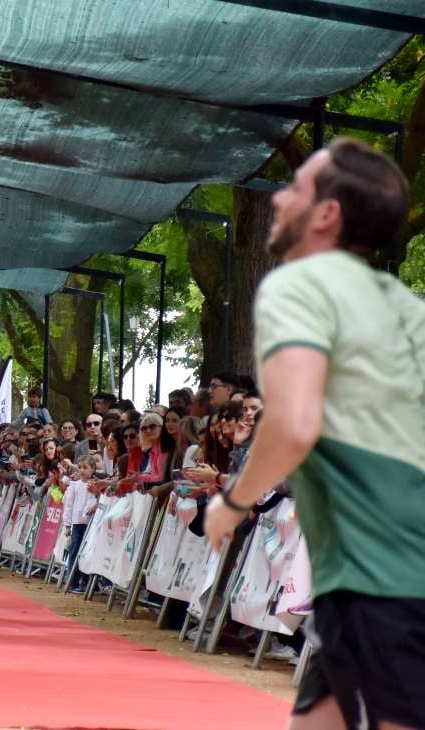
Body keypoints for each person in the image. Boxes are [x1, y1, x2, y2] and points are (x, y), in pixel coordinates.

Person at [204, 138, 425, 730]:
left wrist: (233, 500)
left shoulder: (300, 286)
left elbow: (294, 422)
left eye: (297, 186)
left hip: (381, 568)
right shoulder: (403, 307)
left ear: (326, 215)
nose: (279, 199)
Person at [61, 455, 98, 593]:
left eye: (85, 467)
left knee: (87, 553)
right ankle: (73, 581)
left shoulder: (95, 485)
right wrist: (67, 524)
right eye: (80, 467)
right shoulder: (74, 485)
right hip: (77, 524)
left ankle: (86, 582)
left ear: (93, 469)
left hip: (91, 524)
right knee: (74, 552)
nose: (82, 470)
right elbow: (68, 505)